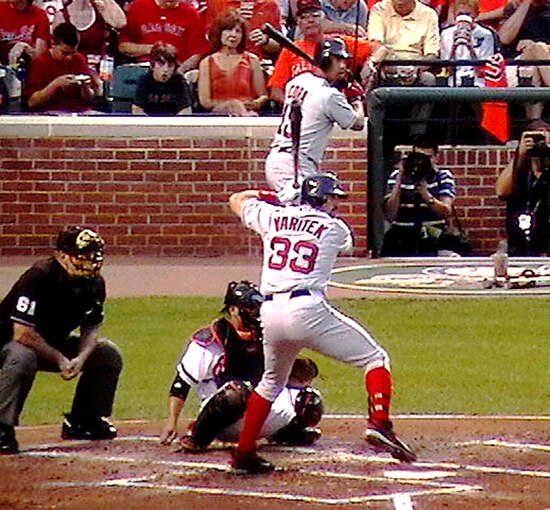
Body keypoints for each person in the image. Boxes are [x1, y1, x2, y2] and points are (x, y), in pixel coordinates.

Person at [228, 172, 416, 474]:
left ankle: (244, 453)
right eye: (332, 198)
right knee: (375, 358)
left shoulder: (272, 216)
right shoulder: (334, 228)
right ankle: (379, 422)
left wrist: (274, 197)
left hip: (270, 312)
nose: (336, 204)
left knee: (272, 382)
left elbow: (236, 199)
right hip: (307, 308)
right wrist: (292, 206)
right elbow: (346, 244)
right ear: (318, 198)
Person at [0, 226, 123, 455]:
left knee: (107, 354)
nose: (89, 261)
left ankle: (85, 420)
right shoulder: (39, 276)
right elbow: (22, 333)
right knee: (22, 356)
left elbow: (91, 330)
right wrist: (59, 359)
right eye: (83, 255)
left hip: (50, 342)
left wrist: (80, 358)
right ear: (62, 255)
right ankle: (2, 426)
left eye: (93, 255)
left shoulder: (94, 284)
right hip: (8, 344)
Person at [160, 280, 324, 451]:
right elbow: (182, 383)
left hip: (259, 411)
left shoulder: (266, 335)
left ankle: (285, 433)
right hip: (225, 420)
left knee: (310, 400)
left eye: (255, 308)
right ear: (232, 309)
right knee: (238, 391)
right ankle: (198, 438)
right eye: (248, 308)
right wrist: (172, 421)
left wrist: (290, 366)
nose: (254, 313)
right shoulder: (212, 339)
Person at [266, 37, 365, 202]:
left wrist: (336, 86)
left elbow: (316, 102)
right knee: (303, 218)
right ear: (325, 60)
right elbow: (358, 123)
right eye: (338, 59)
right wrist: (357, 100)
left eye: (344, 60)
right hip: (296, 163)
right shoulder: (330, 95)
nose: (343, 66)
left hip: (280, 159)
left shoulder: (298, 80)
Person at [268, 0, 386, 105]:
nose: (310, 20)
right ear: (298, 23)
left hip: (336, 105)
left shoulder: (339, 42)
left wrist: (370, 63)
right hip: (302, 107)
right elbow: (276, 91)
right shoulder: (291, 49)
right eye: (304, 17)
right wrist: (294, 107)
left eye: (315, 16)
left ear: (324, 20)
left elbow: (380, 48)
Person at [367, 0, 440, 137]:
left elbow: (432, 55)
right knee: (370, 75)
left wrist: (415, 69)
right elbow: (375, 45)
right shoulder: (379, 9)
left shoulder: (429, 14)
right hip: (386, 67)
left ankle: (416, 136)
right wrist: (395, 68)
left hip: (417, 69)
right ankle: (376, 138)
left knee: (429, 79)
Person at [381, 135, 457, 256]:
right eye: (419, 157)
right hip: (402, 237)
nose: (422, 162)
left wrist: (426, 195)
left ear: (436, 157)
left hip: (434, 237)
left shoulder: (443, 176)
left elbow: (446, 212)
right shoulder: (396, 176)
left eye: (428, 157)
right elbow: (390, 215)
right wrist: (400, 178)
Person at [197, 12, 269, 116]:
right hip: (217, 117)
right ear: (219, 33)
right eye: (228, 30)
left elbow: (263, 96)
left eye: (238, 31)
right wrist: (232, 107)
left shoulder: (252, 60)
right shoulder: (207, 63)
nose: (233, 35)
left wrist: (255, 103)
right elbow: (205, 102)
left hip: (247, 115)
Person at [496, 122, 550, 256]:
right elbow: (502, 192)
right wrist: (519, 155)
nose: (538, 143)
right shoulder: (519, 171)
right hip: (520, 245)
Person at [118, 0, 211, 72]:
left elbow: (197, 54)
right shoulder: (139, 6)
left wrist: (180, 72)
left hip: (176, 69)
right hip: (143, 68)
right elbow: (123, 47)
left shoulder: (191, 14)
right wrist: (154, 49)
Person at [25, 22, 98, 113]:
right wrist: (55, 84)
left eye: (73, 53)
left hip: (79, 111)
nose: (69, 57)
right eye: (65, 53)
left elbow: (90, 100)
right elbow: (32, 103)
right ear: (53, 44)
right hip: (51, 111)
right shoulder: (41, 62)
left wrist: (85, 88)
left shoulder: (79, 59)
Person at [440, 0, 499, 87]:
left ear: (476, 14)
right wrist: (454, 47)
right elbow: (447, 70)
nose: (464, 18)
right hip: (454, 82)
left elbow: (483, 71)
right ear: (454, 14)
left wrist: (471, 48)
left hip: (478, 82)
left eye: (468, 14)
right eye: (460, 14)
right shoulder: (446, 33)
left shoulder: (485, 34)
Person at [52, 0, 127, 64]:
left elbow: (120, 23)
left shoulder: (100, 8)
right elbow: (59, 52)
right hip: (75, 68)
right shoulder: (61, 16)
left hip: (101, 66)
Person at [132, 42, 194, 115]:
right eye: (161, 64)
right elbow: (137, 110)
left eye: (170, 65)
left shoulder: (179, 80)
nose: (165, 69)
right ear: (152, 65)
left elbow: (186, 110)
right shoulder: (144, 80)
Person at [0, 0, 50, 66]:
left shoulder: (40, 15)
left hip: (25, 66)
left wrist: (25, 47)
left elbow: (39, 56)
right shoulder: (2, 8)